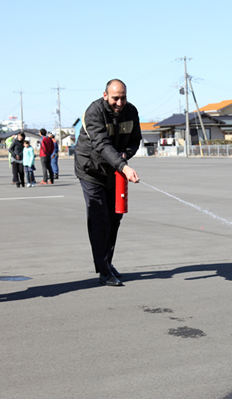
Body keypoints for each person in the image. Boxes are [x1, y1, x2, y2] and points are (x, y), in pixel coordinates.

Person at [75, 79, 141, 286]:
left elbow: (135, 140)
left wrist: (125, 155)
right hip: (91, 171)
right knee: (99, 218)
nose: (119, 103)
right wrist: (124, 166)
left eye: (123, 97)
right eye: (115, 98)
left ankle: (107, 263)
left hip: (114, 171)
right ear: (105, 96)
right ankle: (104, 271)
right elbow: (101, 144)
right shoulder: (93, 112)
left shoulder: (131, 112)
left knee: (115, 217)